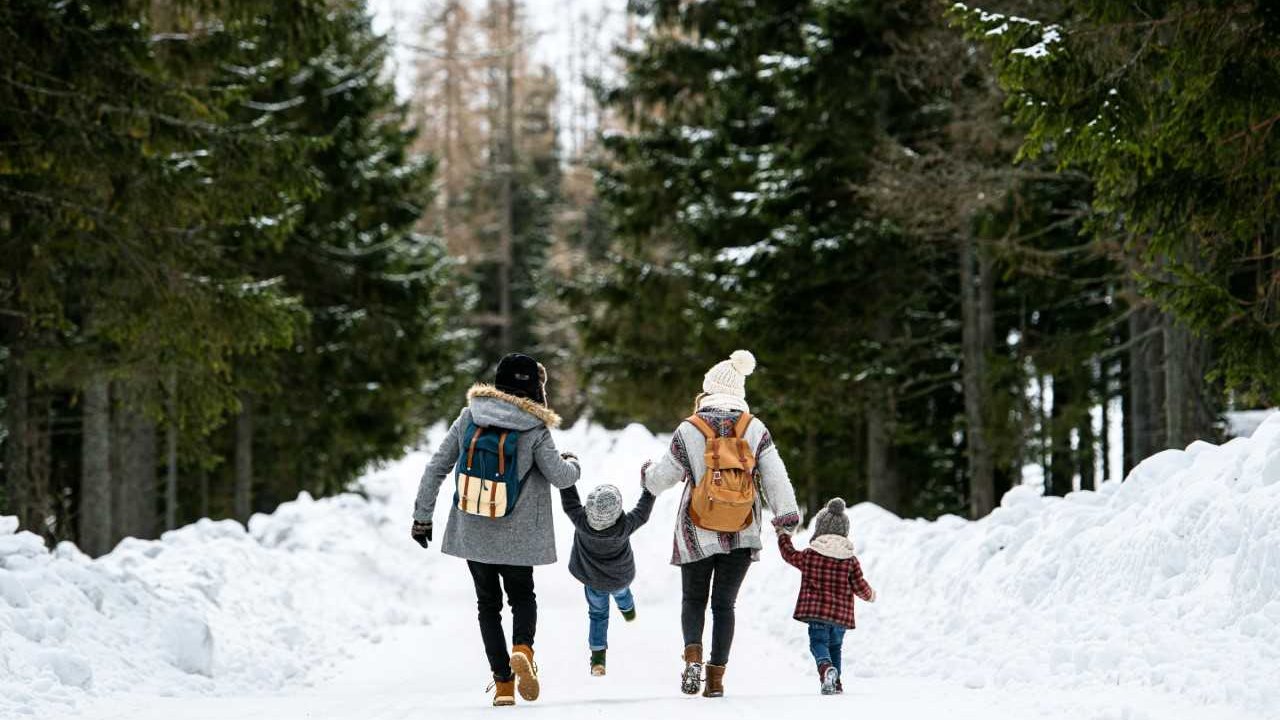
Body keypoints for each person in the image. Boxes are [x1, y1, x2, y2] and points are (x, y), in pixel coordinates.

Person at [411, 353, 581, 707]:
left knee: (487, 604)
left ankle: (503, 684)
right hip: (519, 537)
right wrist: (573, 463)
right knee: (522, 597)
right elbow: (561, 476)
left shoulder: (470, 415)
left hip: (474, 530)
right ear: (534, 387)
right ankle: (523, 649)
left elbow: (436, 467)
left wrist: (422, 517)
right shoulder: (534, 427)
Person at [642, 349, 801, 698]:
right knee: (724, 605)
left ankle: (692, 658)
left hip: (695, 530)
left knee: (693, 600)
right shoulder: (754, 428)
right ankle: (715, 680)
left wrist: (646, 476)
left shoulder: (690, 428)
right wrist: (786, 519)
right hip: (742, 529)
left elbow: (662, 478)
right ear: (739, 393)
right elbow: (776, 478)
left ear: (709, 390)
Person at [777, 497, 877, 695]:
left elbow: (789, 554)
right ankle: (835, 682)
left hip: (817, 614)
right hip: (841, 617)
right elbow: (859, 585)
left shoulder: (810, 555)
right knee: (835, 647)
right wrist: (870, 595)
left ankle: (825, 669)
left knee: (818, 643)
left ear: (820, 529)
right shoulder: (851, 560)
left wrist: (783, 535)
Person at [558, 478, 656, 676]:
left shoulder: (580, 521)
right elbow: (642, 513)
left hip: (593, 582)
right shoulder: (624, 526)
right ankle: (628, 612)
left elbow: (570, 501)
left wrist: (567, 472)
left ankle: (598, 660)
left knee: (598, 615)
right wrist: (649, 488)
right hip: (620, 578)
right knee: (623, 595)